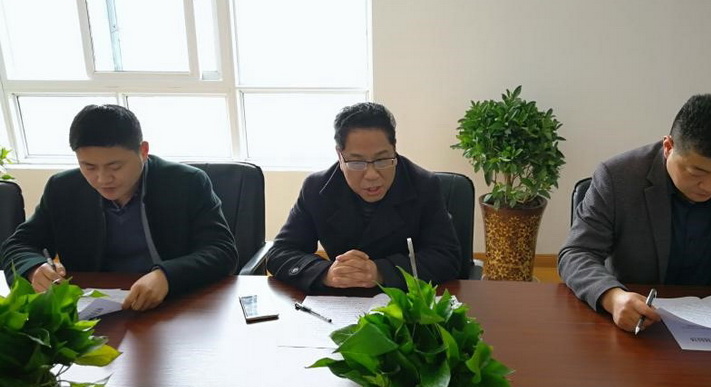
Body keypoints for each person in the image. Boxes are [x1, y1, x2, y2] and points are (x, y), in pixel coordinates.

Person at [558, 92, 711, 332]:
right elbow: (577, 252)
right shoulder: (618, 177)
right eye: (697, 172)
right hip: (643, 319)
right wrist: (613, 297)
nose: (710, 186)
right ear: (668, 147)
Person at [0, 104, 238, 311]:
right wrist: (33, 269)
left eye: (115, 166)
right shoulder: (63, 188)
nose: (103, 179)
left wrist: (167, 276)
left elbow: (221, 250)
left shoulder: (186, 182)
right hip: (94, 312)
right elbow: (18, 244)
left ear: (143, 151)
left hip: (174, 304)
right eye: (89, 167)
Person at [266, 102, 461, 292]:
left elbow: (447, 257)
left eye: (382, 159)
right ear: (340, 156)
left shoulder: (424, 185)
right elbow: (280, 253)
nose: (372, 175)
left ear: (394, 148)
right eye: (357, 163)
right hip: (341, 300)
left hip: (403, 298)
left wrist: (381, 271)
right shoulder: (317, 188)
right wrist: (326, 273)